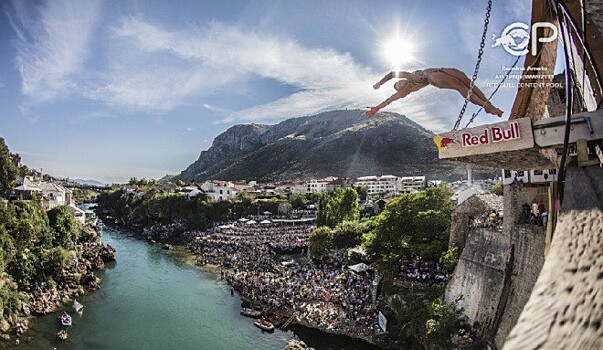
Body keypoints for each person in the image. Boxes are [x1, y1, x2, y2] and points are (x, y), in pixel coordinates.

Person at [367, 68, 504, 117]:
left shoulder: (407, 75)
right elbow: (389, 100)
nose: (399, 83)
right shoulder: (407, 90)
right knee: (460, 86)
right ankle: (488, 107)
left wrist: (380, 83)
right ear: (400, 89)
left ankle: (488, 105)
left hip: (438, 69)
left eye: (397, 82)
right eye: (397, 86)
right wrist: (377, 108)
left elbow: (391, 74)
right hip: (432, 78)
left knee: (466, 80)